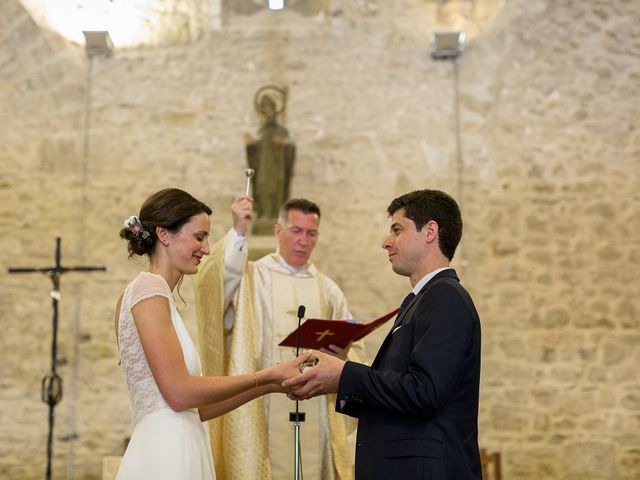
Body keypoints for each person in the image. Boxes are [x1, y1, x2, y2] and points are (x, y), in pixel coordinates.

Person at [283, 189, 482, 480]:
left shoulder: (445, 297)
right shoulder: (422, 299)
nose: (386, 242)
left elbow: (424, 392)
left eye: (397, 230)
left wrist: (344, 375)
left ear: (429, 232)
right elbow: (404, 387)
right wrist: (340, 374)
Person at [114, 188, 309, 480]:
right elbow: (180, 394)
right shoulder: (149, 291)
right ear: (164, 235)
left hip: (181, 439)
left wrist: (270, 383)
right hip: (167, 452)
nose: (207, 249)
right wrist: (264, 376)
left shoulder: (154, 295)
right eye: (199, 237)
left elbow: (197, 408)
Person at [193, 195, 363, 480]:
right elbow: (215, 288)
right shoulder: (253, 277)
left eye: (311, 233)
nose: (303, 241)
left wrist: (343, 356)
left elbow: (353, 351)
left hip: (316, 412)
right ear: (278, 231)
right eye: (296, 231)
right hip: (261, 409)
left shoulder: (329, 290)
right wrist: (238, 231)